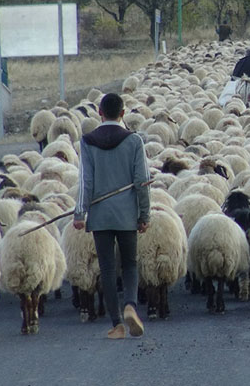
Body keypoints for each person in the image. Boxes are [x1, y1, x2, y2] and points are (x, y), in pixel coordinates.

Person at [74, 93, 150, 339]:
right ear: (123, 114)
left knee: (106, 267)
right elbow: (142, 181)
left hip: (100, 215)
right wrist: (144, 214)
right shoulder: (134, 140)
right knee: (129, 263)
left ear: (100, 113)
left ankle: (117, 324)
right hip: (127, 214)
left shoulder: (88, 141)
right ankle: (130, 304)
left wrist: (80, 212)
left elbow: (85, 180)